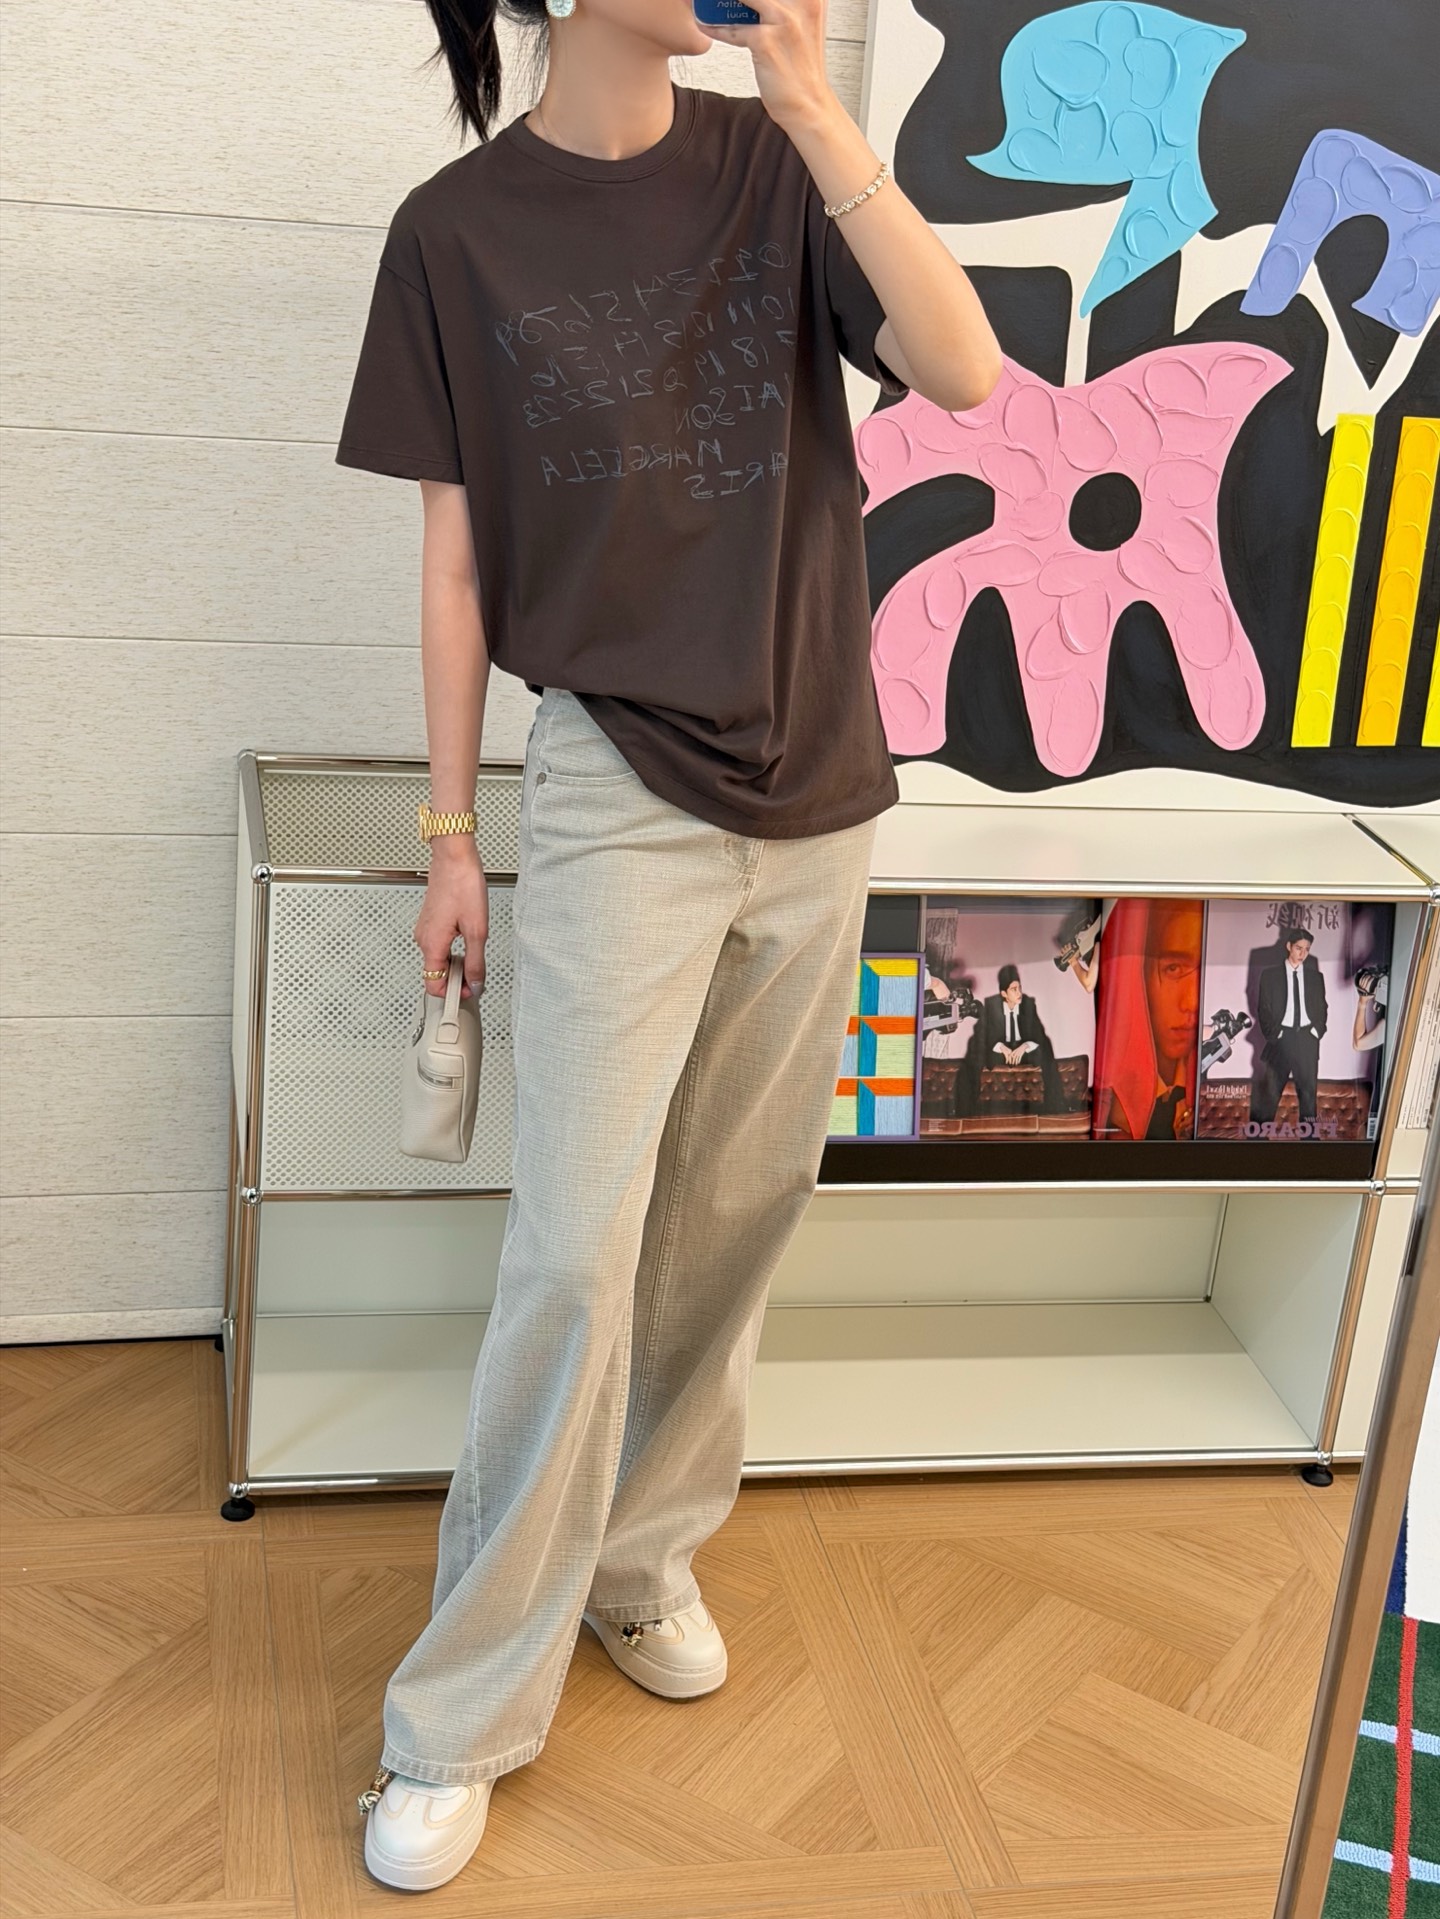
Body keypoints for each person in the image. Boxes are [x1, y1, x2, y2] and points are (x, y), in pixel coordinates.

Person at [333, 0, 1002, 1890]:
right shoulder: (454, 234)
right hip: (619, 780)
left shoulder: (781, 170)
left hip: (826, 779)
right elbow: (457, 563)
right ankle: (457, 1710)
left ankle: (639, 1555)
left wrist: (822, 112)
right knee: (573, 1248)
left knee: (735, 1210)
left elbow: (965, 372)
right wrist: (450, 833)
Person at [1091, 898, 1203, 1141]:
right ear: (1138, 977)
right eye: (1173, 968)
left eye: (1202, 971)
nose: (1192, 1002)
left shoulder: (1205, 1093)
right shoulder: (1111, 1103)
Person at [953, 964, 1064, 1117]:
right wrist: (1001, 1047)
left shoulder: (1028, 1004)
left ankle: (1055, 1109)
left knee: (1046, 1046)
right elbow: (980, 1036)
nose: (1019, 993)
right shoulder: (991, 1006)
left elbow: (1039, 1035)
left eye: (1019, 988)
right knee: (973, 1051)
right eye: (1014, 989)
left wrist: (1024, 1047)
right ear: (1004, 993)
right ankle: (964, 1112)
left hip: (1023, 1053)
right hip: (998, 1053)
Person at [1250, 928, 1329, 1130]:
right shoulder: (1270, 975)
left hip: (1307, 1039)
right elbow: (1263, 1009)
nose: (1302, 953)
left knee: (1308, 1097)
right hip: (1281, 1039)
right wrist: (1276, 1034)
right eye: (1298, 948)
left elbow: (1322, 1007)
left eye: (1307, 949)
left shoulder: (1315, 977)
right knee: (1269, 1095)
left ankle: (1309, 1142)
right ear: (1288, 946)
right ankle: (1256, 1142)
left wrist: (1317, 1031)